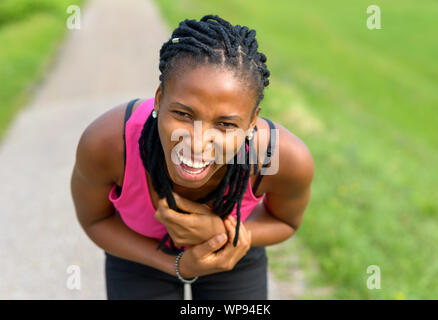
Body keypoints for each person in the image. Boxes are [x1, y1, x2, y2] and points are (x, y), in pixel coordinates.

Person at [70, 14, 314, 300]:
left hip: (232, 254)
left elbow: (286, 222)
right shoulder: (110, 144)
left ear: (251, 123)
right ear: (159, 99)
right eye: (183, 114)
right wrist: (177, 266)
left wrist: (221, 233)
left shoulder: (273, 156)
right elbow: (95, 221)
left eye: (225, 124)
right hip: (139, 254)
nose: (197, 144)